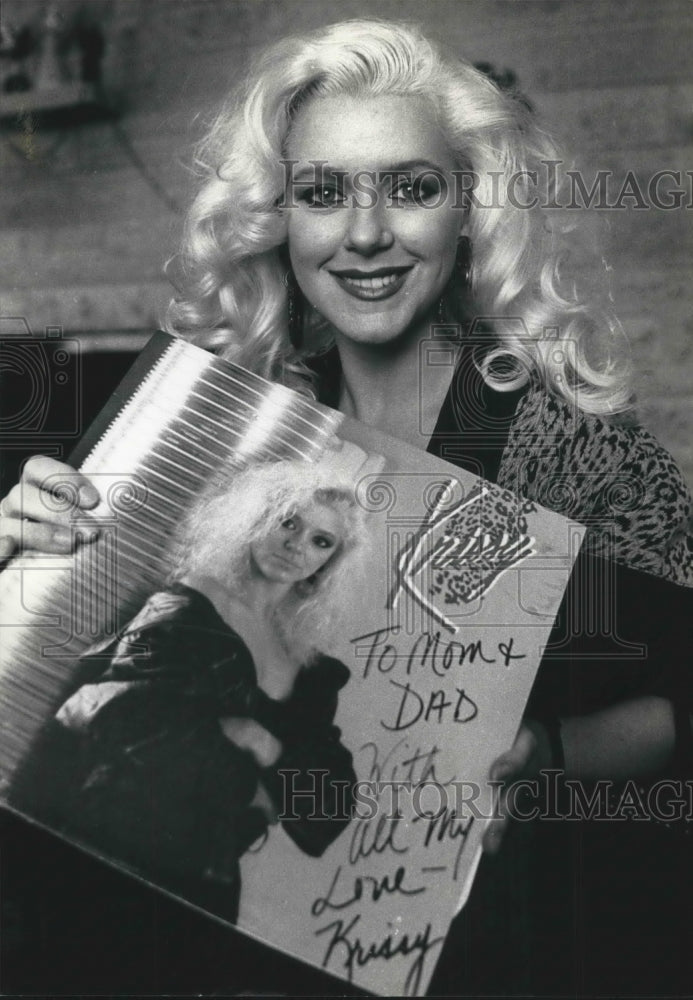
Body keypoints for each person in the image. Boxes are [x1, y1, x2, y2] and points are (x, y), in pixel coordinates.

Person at [1, 16, 691, 996]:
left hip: (441, 947)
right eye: (323, 192)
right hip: (181, 932)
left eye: (412, 187)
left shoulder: (564, 434)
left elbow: (681, 700)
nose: (365, 235)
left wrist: (548, 752)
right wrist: (27, 556)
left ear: (470, 211)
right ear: (281, 216)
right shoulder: (225, 408)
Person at [11, 457, 364, 926]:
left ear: (329, 562)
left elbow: (331, 807)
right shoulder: (188, 603)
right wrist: (262, 781)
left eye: (321, 541)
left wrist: (262, 741)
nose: (296, 545)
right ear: (257, 517)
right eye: (288, 521)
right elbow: (120, 722)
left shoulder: (311, 668)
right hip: (104, 852)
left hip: (204, 891)